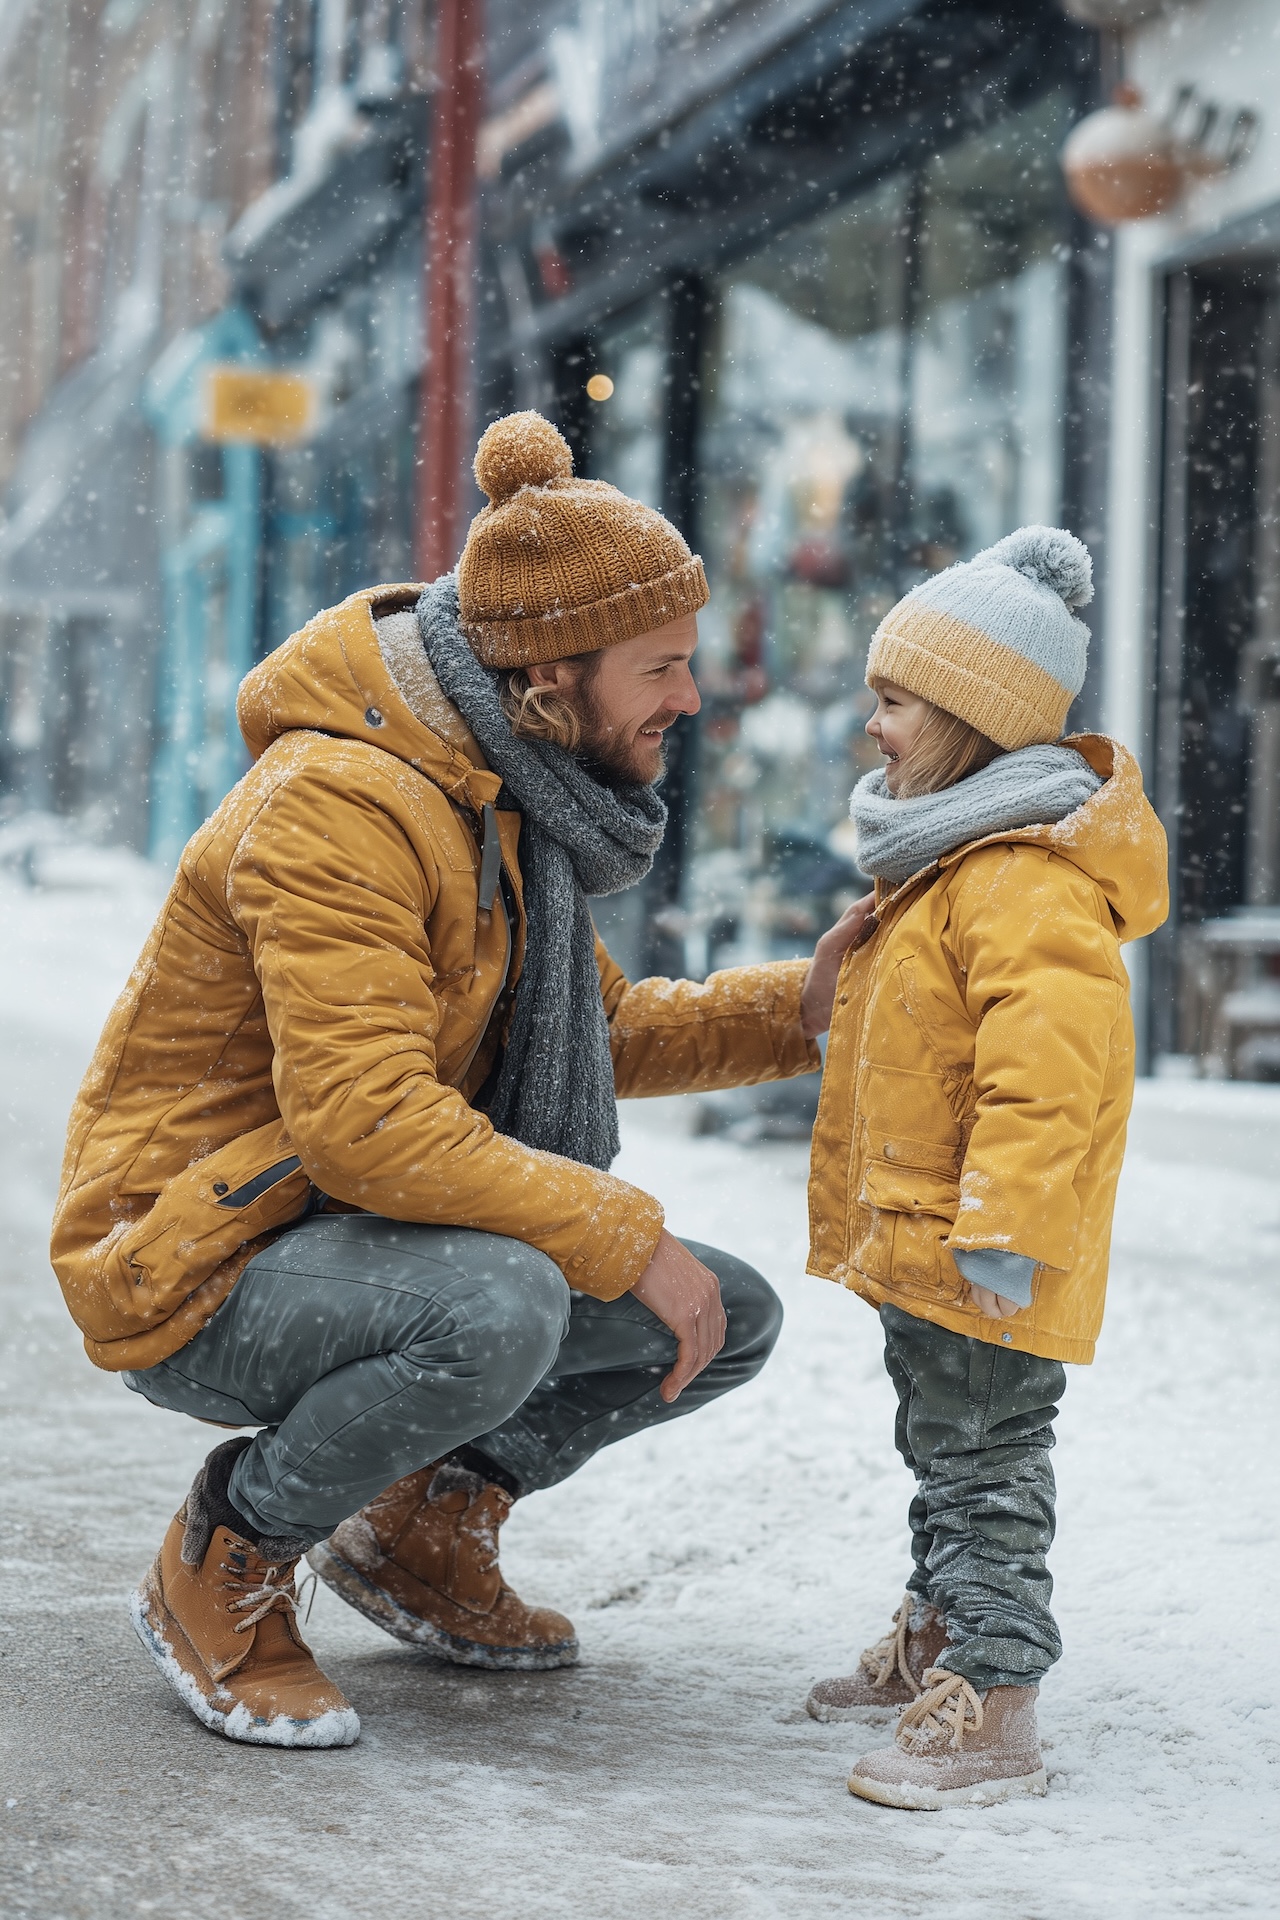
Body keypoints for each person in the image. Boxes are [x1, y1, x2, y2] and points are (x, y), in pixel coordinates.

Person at [51, 411, 867, 1749]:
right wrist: (623, 1230)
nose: (691, 699)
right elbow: (364, 1122)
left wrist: (806, 1009)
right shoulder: (343, 803)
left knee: (721, 1312)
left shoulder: (502, 800)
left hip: (337, 1232)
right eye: (661, 666)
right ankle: (226, 1555)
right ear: (552, 674)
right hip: (196, 1250)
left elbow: (601, 1035)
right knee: (505, 1301)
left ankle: (421, 1529)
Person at [800, 527, 1168, 1809]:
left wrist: (1002, 1224)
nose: (871, 728)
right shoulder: (952, 863)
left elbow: (1048, 1066)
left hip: (981, 1248)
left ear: (967, 719)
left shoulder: (1020, 878)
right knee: (941, 1443)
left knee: (984, 1460)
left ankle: (997, 1698)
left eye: (891, 702)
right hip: (929, 1236)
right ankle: (938, 1642)